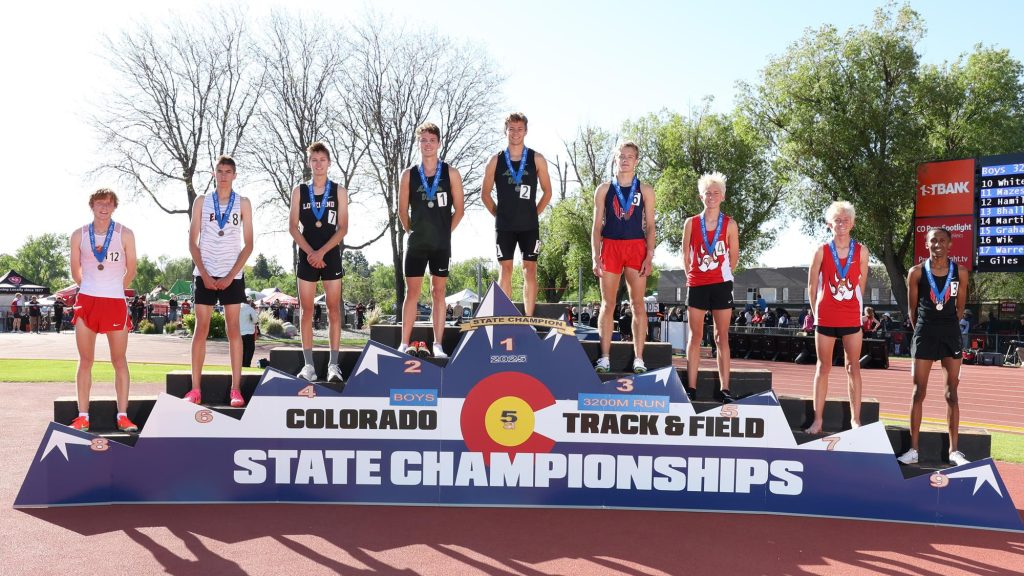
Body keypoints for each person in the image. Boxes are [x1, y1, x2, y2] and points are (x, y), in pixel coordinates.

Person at [898, 227, 970, 467]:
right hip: (925, 333)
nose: (937, 244)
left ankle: (954, 451)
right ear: (926, 244)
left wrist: (947, 324)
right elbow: (912, 308)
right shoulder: (916, 272)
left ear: (950, 244)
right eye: (933, 241)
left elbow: (960, 308)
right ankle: (913, 449)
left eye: (942, 241)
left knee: (952, 394)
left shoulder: (960, 271)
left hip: (950, 334)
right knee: (919, 392)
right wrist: (924, 328)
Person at [68, 188, 138, 432]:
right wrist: (89, 287)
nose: (104, 207)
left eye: (109, 203)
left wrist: (114, 290)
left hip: (114, 302)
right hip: (87, 300)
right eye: (99, 203)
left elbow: (132, 270)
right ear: (92, 206)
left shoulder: (125, 233)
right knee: (86, 360)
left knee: (119, 360)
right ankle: (83, 416)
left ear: (114, 206)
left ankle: (123, 415)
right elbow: (75, 271)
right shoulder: (79, 234)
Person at [186, 155, 253, 408]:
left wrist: (230, 275)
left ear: (235, 175)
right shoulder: (202, 202)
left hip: (231, 274)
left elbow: (249, 244)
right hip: (204, 272)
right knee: (200, 329)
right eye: (220, 171)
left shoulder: (243, 203)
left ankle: (236, 389)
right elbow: (192, 241)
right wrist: (202, 272)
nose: (224, 175)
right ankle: (195, 389)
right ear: (214, 174)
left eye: (228, 171)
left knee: (233, 329)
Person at [398, 122, 465, 357]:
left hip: (440, 245)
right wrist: (412, 231)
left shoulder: (451, 173)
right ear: (418, 144)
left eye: (431, 140)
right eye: (423, 140)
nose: (427, 144)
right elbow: (402, 211)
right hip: (416, 244)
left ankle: (438, 345)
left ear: (439, 143)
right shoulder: (408, 175)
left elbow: (460, 210)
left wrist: (444, 232)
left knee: (439, 292)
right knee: (412, 294)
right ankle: (404, 344)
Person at [591, 142, 656, 374]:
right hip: (610, 246)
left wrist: (649, 255)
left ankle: (639, 358)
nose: (626, 160)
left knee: (638, 304)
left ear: (636, 161)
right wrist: (594, 255)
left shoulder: (645, 190)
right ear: (615, 160)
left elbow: (650, 226)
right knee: (608, 304)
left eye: (630, 156)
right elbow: (596, 226)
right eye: (621, 156)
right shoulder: (604, 189)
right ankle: (605, 358)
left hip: (636, 247)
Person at [481, 113, 553, 316]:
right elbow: (484, 194)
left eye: (519, 129)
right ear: (505, 130)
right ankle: (504, 317)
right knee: (505, 270)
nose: (515, 133)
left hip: (529, 225)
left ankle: (528, 319)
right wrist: (498, 214)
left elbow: (548, 192)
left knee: (530, 270)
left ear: (526, 131)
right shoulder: (495, 160)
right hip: (504, 225)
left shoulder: (536, 158)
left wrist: (533, 213)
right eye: (511, 129)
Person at [806, 201, 869, 434]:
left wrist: (855, 309)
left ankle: (855, 420)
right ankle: (818, 420)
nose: (841, 224)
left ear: (852, 223)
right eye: (837, 220)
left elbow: (861, 284)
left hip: (851, 319)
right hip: (825, 319)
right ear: (829, 224)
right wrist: (816, 314)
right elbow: (812, 286)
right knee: (823, 368)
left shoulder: (862, 251)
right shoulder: (821, 250)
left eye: (845, 220)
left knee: (853, 367)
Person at [290, 141, 349, 382]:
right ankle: (309, 366)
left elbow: (343, 228)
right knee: (306, 311)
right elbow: (293, 227)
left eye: (322, 160)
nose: (318, 164)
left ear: (329, 163)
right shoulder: (299, 191)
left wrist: (322, 252)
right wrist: (311, 253)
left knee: (334, 310)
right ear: (308, 163)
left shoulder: (339, 191)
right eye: (314, 160)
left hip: (331, 254)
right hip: (306, 255)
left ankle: (334, 365)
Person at [682, 172, 738, 400]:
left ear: (723, 196)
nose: (712, 196)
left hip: (721, 284)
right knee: (695, 336)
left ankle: (725, 390)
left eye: (716, 192)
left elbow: (734, 256)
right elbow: (685, 254)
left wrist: (722, 274)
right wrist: (692, 276)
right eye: (708, 193)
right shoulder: (691, 223)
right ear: (701, 197)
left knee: (721, 337)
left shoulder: (730, 224)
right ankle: (691, 388)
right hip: (697, 284)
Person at [239, 298, 259, 368]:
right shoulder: (250, 309)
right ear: (249, 301)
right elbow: (255, 320)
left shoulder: (237, 308)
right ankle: (247, 364)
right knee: (250, 349)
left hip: (240, 332)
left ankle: (242, 364)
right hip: (249, 332)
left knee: (243, 349)